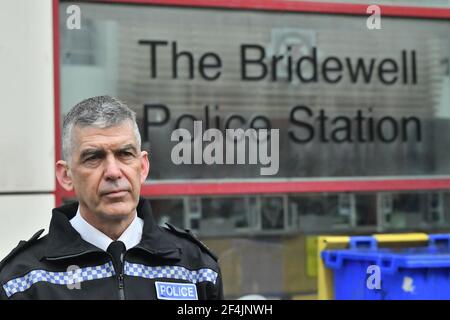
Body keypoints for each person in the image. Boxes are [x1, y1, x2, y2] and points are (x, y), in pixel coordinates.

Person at [0, 96, 223, 300]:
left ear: (143, 166)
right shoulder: (22, 282)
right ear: (66, 176)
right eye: (94, 157)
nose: (113, 172)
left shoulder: (196, 268)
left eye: (125, 154)